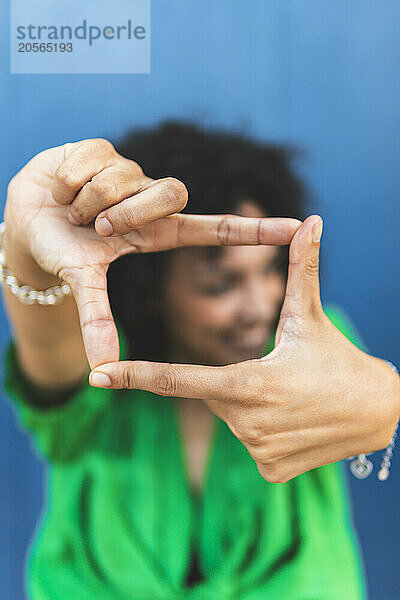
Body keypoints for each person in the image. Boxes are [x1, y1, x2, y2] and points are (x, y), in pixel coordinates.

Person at [2, 122, 399, 600]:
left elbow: (363, 401)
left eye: (271, 270)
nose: (261, 305)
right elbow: (47, 340)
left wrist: (386, 400)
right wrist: (25, 248)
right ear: (150, 291)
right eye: (221, 284)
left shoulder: (315, 341)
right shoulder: (102, 359)